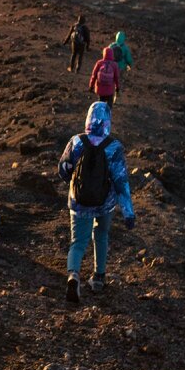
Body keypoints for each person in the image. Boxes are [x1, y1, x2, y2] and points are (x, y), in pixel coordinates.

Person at [57, 101, 134, 302]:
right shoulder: (114, 147)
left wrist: (75, 181)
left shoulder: (76, 141)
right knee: (101, 235)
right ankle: (98, 277)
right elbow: (121, 180)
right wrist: (128, 212)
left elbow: (63, 170)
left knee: (78, 242)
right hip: (104, 203)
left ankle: (73, 276)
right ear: (108, 121)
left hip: (79, 202)